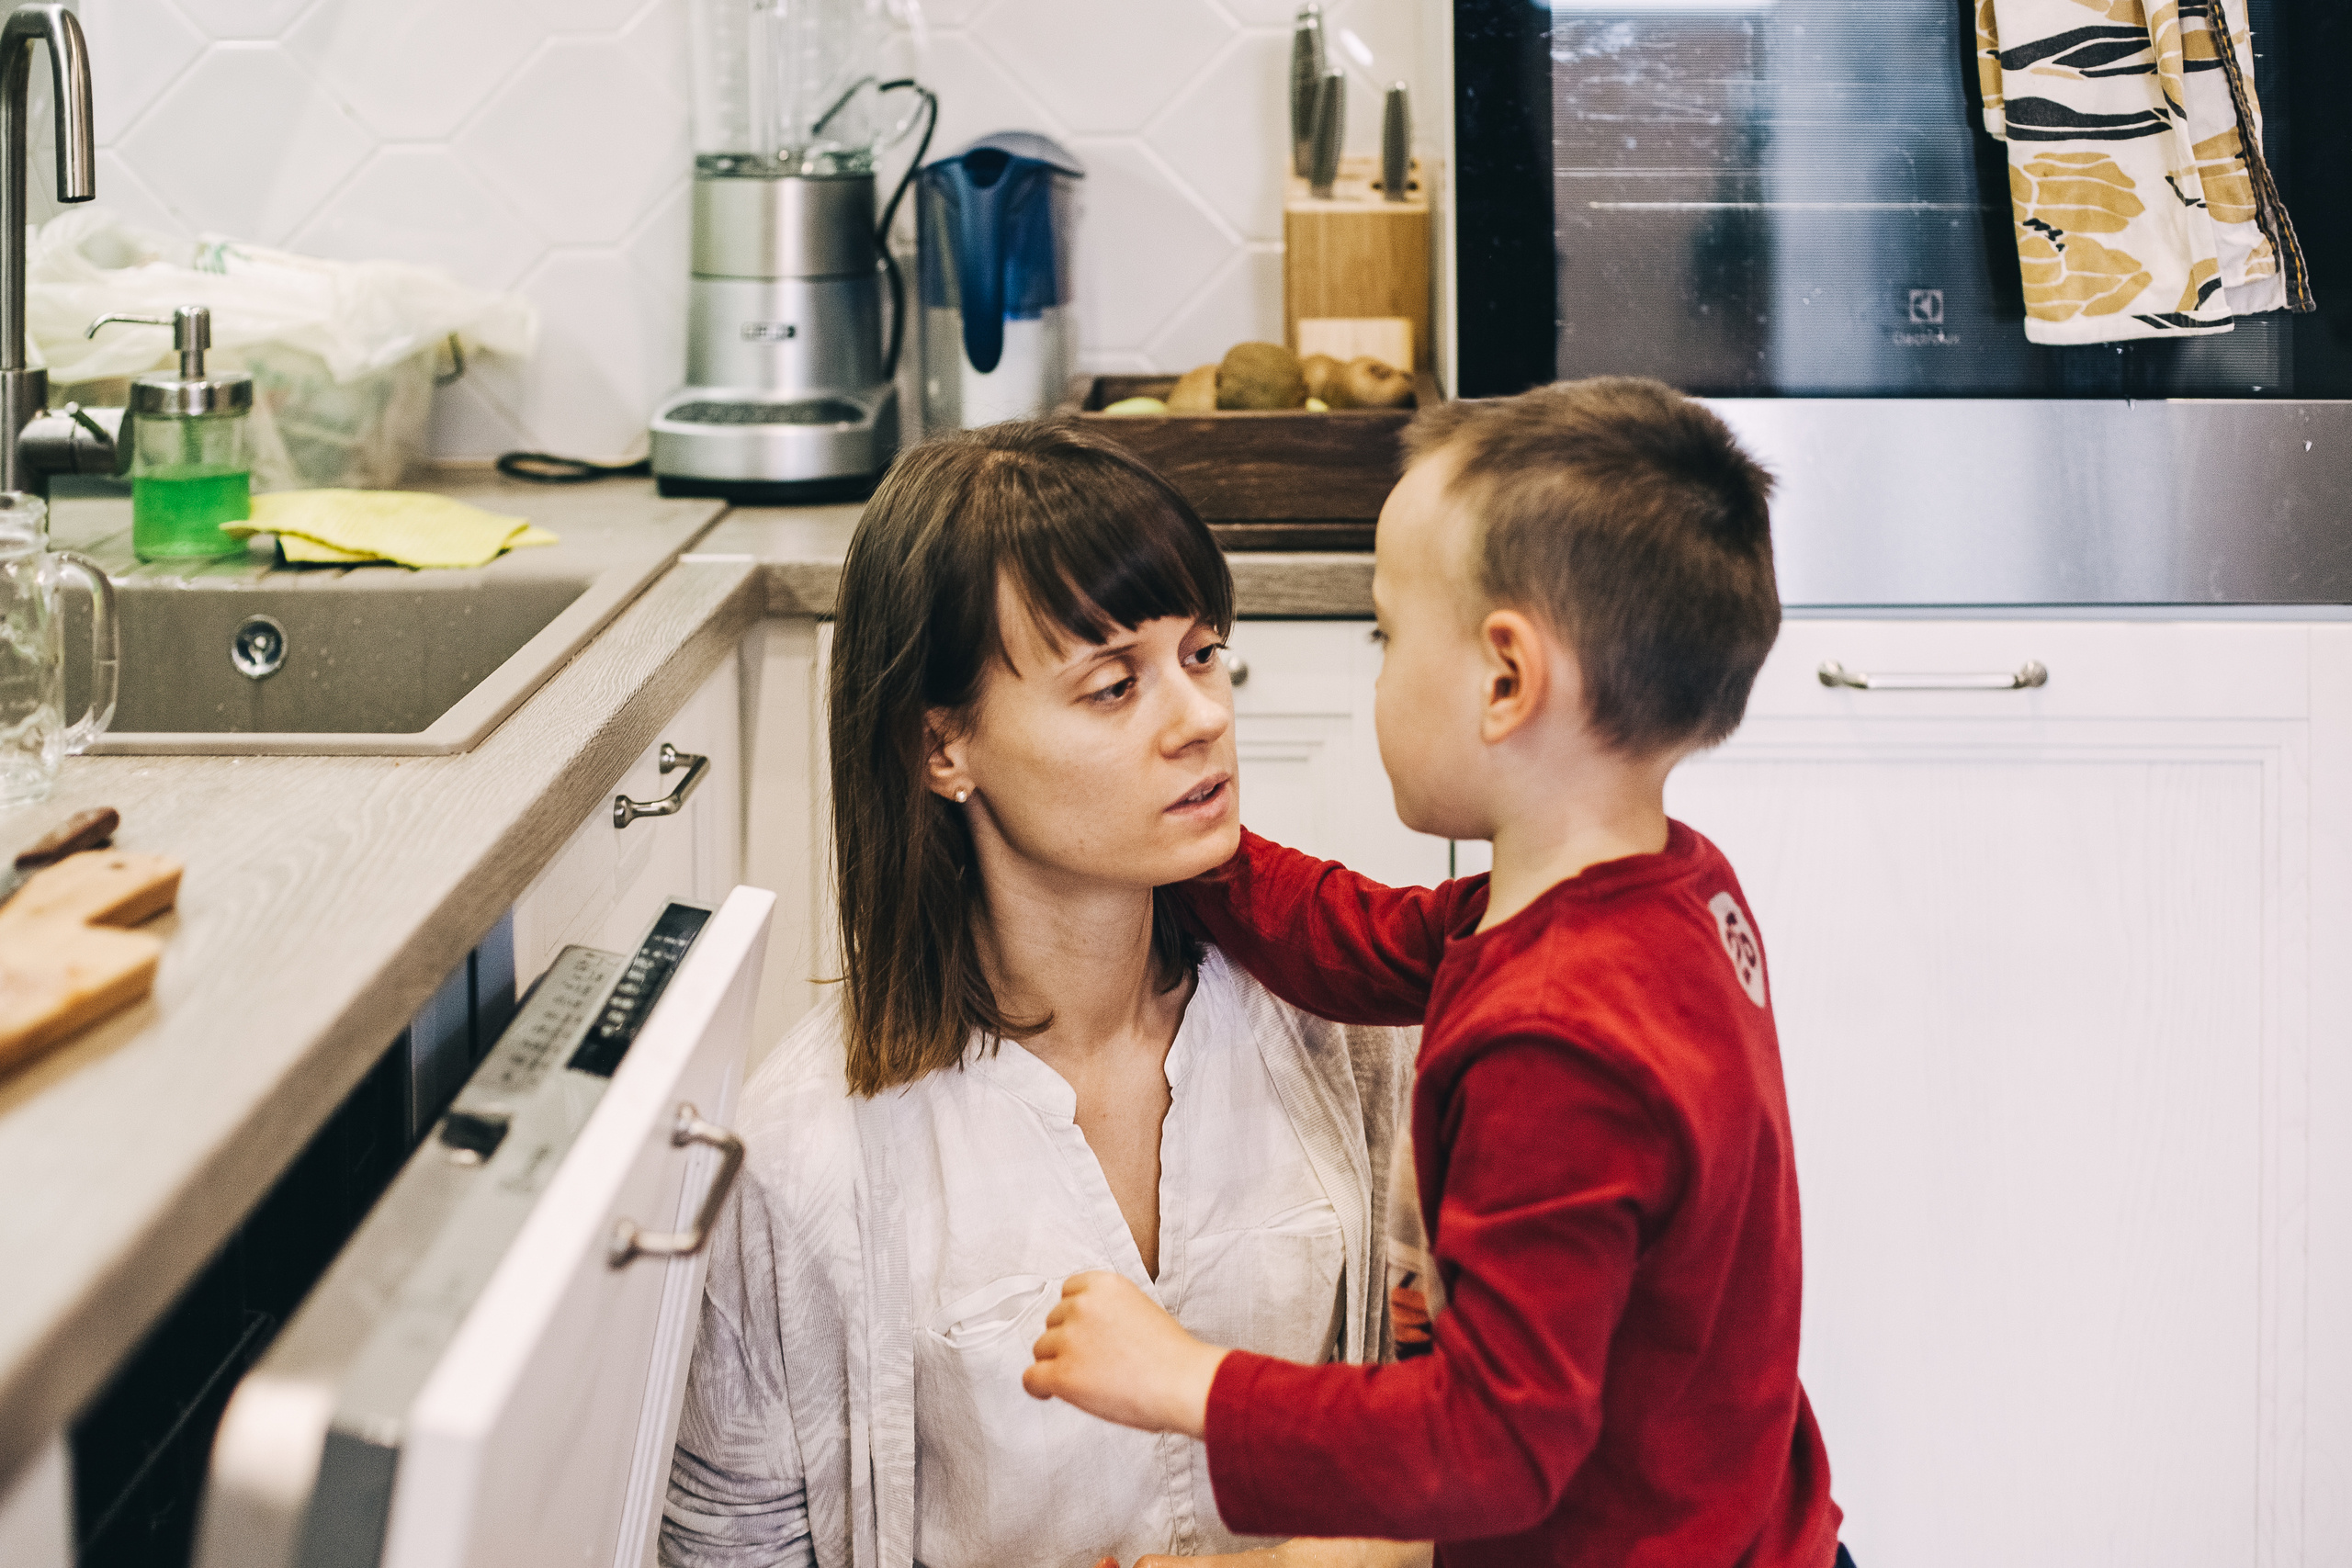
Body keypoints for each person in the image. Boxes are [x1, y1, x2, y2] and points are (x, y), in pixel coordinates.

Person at [1023, 378, 1852, 1568]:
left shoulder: (1559, 1045)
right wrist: (1199, 840)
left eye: (1387, 635)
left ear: (1505, 679)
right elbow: (1369, 937)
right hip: (1748, 1522)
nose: (1379, 670)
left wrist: (1188, 1379)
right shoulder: (1666, 891)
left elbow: (1492, 1443)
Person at [659, 421, 1424, 1568]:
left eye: (1202, 653)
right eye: (1114, 685)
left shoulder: (1340, 1037)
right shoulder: (799, 1157)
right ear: (943, 749)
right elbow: (729, 1551)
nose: (1202, 717)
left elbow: (1488, 1448)